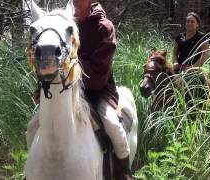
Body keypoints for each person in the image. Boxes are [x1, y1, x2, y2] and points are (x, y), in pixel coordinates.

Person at [74, 1, 131, 180]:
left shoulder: (104, 27)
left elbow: (99, 73)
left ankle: (124, 174)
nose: (75, 3)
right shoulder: (66, 24)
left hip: (99, 90)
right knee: (34, 125)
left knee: (113, 126)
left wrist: (71, 67)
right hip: (68, 90)